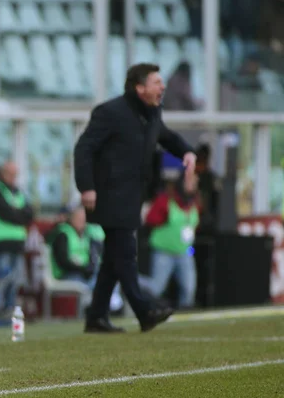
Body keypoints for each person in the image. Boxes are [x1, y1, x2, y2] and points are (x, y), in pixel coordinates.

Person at [74, 63, 197, 333]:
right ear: (139, 88)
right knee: (126, 252)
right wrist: (86, 187)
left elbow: (166, 136)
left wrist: (186, 151)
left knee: (113, 259)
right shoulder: (110, 112)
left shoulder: (151, 114)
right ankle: (144, 310)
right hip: (107, 194)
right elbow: (83, 149)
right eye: (156, 83)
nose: (162, 87)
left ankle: (96, 316)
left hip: (131, 196)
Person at [46, 205, 123, 312]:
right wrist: (82, 269)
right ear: (71, 218)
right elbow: (63, 261)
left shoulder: (85, 234)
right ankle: (107, 304)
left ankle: (111, 301)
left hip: (82, 272)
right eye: (79, 218)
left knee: (108, 273)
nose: (82, 222)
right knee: (99, 280)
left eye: (84, 219)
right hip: (66, 274)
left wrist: (88, 268)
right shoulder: (63, 233)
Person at [0, 161, 33, 320]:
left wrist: (16, 214)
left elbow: (30, 213)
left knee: (15, 279)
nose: (13, 177)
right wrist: (19, 215)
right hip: (2, 242)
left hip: (18, 242)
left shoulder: (18, 192)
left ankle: (10, 308)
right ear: (2, 173)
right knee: (2, 277)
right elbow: (5, 213)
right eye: (10, 174)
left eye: (15, 174)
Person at [146, 173, 200, 309]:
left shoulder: (195, 202)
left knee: (188, 289)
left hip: (184, 252)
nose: (193, 186)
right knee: (156, 287)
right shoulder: (166, 200)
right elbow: (150, 219)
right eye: (190, 182)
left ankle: (185, 319)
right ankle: (129, 281)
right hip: (164, 251)